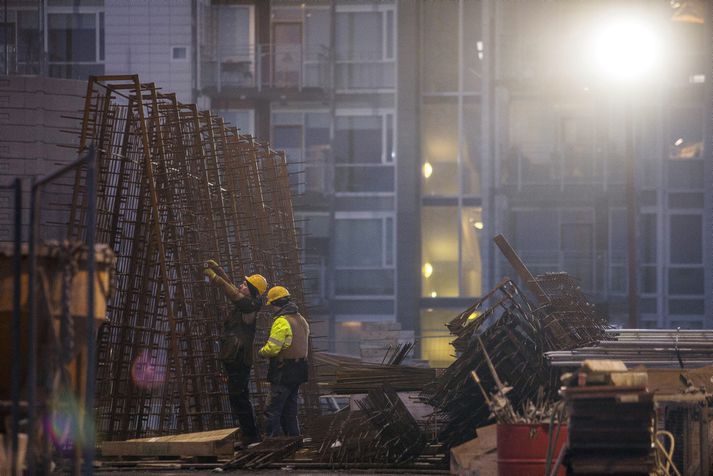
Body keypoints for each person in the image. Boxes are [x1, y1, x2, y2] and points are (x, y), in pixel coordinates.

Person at [203, 260, 267, 446]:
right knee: (238, 398)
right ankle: (250, 435)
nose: (241, 285)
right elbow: (233, 288)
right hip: (234, 359)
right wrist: (219, 270)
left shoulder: (249, 306)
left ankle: (251, 436)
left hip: (239, 360)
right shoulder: (247, 303)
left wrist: (216, 279)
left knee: (240, 399)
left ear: (252, 291)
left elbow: (232, 293)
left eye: (245, 285)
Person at [258, 286, 310, 438]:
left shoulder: (281, 322)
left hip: (284, 371)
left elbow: (273, 348)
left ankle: (271, 442)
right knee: (290, 409)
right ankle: (293, 440)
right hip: (299, 370)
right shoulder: (301, 319)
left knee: (272, 410)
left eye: (272, 305)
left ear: (276, 303)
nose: (271, 309)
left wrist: (261, 352)